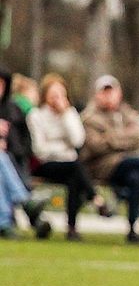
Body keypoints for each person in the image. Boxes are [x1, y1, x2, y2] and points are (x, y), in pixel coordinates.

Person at [80, 75, 139, 244]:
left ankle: (132, 231)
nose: (109, 96)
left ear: (119, 94)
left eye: (112, 92)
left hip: (126, 166)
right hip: (101, 166)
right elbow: (96, 146)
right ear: (97, 95)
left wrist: (110, 138)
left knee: (136, 178)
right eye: (105, 92)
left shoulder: (126, 113)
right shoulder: (90, 117)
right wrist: (124, 139)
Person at [27, 73, 112, 241]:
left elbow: (77, 140)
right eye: (54, 95)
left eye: (61, 94)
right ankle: (95, 199)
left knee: (74, 178)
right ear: (45, 95)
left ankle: (72, 229)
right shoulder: (36, 116)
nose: (58, 99)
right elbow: (40, 149)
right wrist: (63, 148)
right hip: (46, 165)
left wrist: (64, 115)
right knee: (75, 167)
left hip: (69, 165)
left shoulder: (70, 113)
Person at [0, 68, 50, 237]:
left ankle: (6, 222)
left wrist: (9, 148)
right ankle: (26, 203)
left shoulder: (13, 110)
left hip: (16, 162)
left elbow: (25, 142)